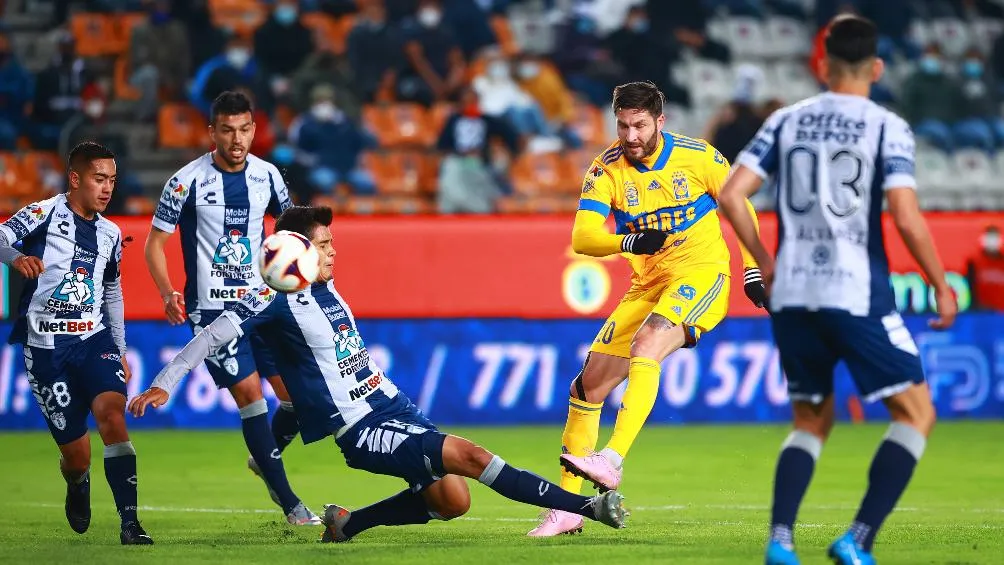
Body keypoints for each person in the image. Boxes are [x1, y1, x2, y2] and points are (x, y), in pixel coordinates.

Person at [128, 206, 629, 541]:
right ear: (299, 252)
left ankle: (348, 525)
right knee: (472, 456)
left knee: (454, 503)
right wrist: (164, 382)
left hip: (393, 404)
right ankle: (586, 509)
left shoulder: (329, 288)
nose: (333, 252)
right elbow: (213, 335)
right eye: (323, 245)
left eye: (331, 242)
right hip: (361, 428)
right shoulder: (275, 300)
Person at [716, 15, 958, 565]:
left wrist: (765, 264)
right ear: (876, 67)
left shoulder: (785, 121)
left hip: (793, 294)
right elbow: (903, 213)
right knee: (916, 413)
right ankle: (858, 539)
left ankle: (780, 541)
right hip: (854, 291)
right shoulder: (884, 126)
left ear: (821, 65)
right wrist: (939, 283)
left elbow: (732, 195)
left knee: (810, 421)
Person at [528, 81, 766, 537]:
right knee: (588, 386)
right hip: (648, 283)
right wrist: (630, 241)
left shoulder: (699, 157)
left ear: (660, 121)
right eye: (622, 125)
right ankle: (568, 508)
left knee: (648, 342)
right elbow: (582, 237)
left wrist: (753, 268)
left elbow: (739, 205)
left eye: (639, 125)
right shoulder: (607, 169)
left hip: (702, 273)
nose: (630, 135)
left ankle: (612, 460)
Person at [144, 91, 319, 525]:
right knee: (250, 396)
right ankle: (292, 504)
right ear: (212, 132)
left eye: (243, 130)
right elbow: (154, 245)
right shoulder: (185, 182)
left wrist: (305, 269)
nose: (236, 139)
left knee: (297, 398)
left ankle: (264, 457)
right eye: (227, 130)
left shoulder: (269, 176)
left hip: (263, 304)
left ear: (254, 130)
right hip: (211, 310)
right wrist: (168, 292)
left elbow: (292, 230)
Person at [0, 141, 152, 545]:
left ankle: (131, 524)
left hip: (93, 337)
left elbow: (112, 290)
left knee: (113, 414)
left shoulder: (111, 232)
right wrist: (15, 258)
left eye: (112, 181)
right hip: (47, 347)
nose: (107, 189)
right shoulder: (42, 213)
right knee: (77, 454)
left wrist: (119, 347)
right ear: (75, 178)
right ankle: (77, 479)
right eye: (99, 179)